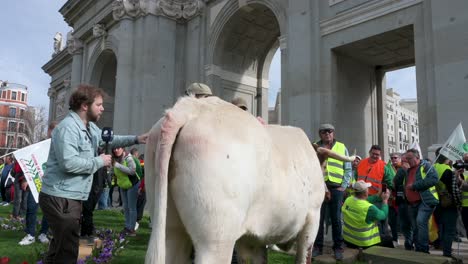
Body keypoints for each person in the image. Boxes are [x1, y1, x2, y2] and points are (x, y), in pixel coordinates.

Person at [39, 84, 148, 263]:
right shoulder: (68, 128)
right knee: (68, 250)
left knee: (59, 248)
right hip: (60, 197)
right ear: (84, 105)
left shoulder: (89, 128)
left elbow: (111, 140)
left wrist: (137, 138)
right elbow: (69, 163)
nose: (103, 108)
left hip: (69, 197)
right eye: (98, 104)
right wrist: (99, 161)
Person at [312, 123, 352, 260]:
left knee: (336, 219)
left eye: (329, 131)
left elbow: (348, 168)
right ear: (320, 134)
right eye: (324, 132)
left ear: (333, 133)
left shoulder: (341, 147)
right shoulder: (314, 147)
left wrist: (344, 186)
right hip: (319, 188)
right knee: (318, 219)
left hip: (336, 188)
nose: (327, 134)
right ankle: (317, 247)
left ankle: (338, 248)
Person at [18, 121, 58, 246]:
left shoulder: (61, 146)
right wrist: (25, 179)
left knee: (48, 211)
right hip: (35, 182)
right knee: (31, 209)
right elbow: (30, 160)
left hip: (51, 184)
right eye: (53, 130)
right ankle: (30, 234)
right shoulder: (39, 146)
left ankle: (43, 233)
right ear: (49, 131)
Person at [393, 148, 439, 254]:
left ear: (417, 158)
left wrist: (415, 186)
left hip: (425, 201)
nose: (407, 160)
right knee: (415, 226)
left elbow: (434, 179)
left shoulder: (426, 166)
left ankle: (423, 249)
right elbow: (397, 182)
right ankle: (418, 248)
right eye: (406, 158)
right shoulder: (407, 169)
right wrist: (403, 170)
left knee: (420, 222)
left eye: (409, 158)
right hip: (411, 203)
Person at [342, 180, 390, 249]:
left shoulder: (348, 200)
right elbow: (383, 215)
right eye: (368, 189)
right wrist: (385, 201)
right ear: (365, 193)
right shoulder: (369, 208)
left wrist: (377, 195)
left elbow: (364, 200)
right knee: (388, 239)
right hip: (364, 242)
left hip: (348, 240)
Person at [433, 147, 459, 258]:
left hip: (436, 202)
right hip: (448, 204)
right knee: (449, 230)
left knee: (440, 228)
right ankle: (447, 253)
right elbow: (454, 190)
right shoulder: (447, 170)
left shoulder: (433, 167)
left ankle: (440, 245)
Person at [80, 147, 108, 244]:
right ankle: (86, 232)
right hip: (94, 189)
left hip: (94, 189)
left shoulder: (97, 161)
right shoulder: (97, 160)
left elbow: (99, 176)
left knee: (87, 211)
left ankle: (87, 232)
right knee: (87, 211)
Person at [113, 147, 140, 236]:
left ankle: (131, 229)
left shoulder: (128, 158)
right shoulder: (115, 159)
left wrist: (117, 165)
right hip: (123, 185)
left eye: (118, 148)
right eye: (114, 149)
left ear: (123, 149)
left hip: (132, 185)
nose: (116, 150)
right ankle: (127, 226)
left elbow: (132, 171)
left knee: (131, 207)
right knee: (125, 207)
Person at [385, 152, 402, 247]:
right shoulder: (387, 169)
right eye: (392, 158)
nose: (393, 159)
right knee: (392, 221)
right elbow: (384, 182)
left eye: (395, 158)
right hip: (391, 199)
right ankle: (395, 238)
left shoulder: (404, 168)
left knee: (404, 221)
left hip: (402, 199)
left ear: (399, 159)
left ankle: (409, 240)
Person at [131, 148, 145, 230]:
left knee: (136, 204)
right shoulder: (141, 164)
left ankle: (134, 221)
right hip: (141, 186)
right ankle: (136, 221)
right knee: (140, 204)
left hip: (135, 185)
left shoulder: (134, 162)